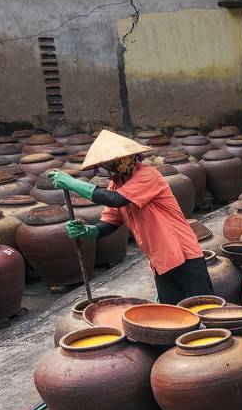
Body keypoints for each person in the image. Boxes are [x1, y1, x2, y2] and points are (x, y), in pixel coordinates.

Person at [49, 130, 214, 304]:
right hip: (160, 259)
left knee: (202, 308)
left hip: (184, 253)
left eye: (121, 160)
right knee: (175, 315)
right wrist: (90, 231)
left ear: (134, 157)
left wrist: (73, 183)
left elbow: (116, 200)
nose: (118, 166)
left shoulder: (148, 175)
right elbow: (111, 221)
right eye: (111, 163)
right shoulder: (116, 184)